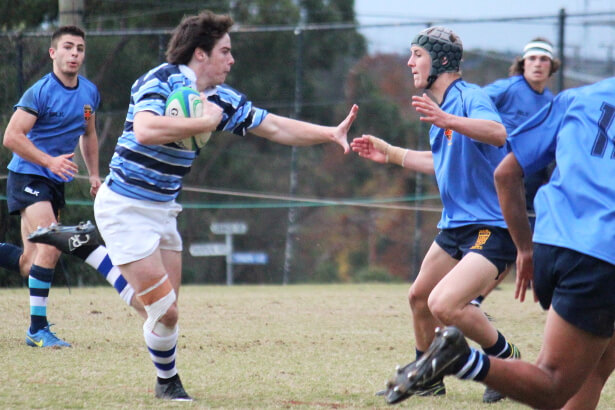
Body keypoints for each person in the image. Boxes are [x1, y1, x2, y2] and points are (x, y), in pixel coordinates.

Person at [47, 10, 357, 402]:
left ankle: (91, 251)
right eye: (225, 51)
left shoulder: (222, 100)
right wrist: (202, 123)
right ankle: (168, 384)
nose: (232, 60)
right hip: (124, 206)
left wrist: (329, 133)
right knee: (166, 314)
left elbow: (274, 126)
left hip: (163, 209)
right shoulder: (160, 79)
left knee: (158, 312)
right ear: (200, 54)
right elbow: (145, 129)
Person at [391, 77, 615, 409]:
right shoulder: (481, 96)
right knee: (553, 384)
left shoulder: (579, 97)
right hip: (601, 252)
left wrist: (524, 249)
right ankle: (462, 361)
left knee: (596, 367)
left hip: (553, 241)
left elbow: (505, 173)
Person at [351, 26, 520, 404]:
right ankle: (428, 377)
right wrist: (391, 153)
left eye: (417, 55)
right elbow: (440, 161)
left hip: (490, 227)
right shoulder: (439, 110)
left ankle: (506, 363)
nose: (410, 62)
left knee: (444, 305)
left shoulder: (469, 97)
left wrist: (449, 120)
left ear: (441, 61)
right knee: (419, 297)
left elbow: (496, 132)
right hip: (454, 227)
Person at [0, 26, 110, 348]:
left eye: (79, 48)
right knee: (51, 244)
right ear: (53, 53)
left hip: (54, 183)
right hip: (29, 178)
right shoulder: (39, 93)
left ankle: (37, 328)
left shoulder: (89, 93)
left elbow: (87, 134)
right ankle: (37, 330)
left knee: (27, 263)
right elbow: (11, 137)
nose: (74, 53)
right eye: (67, 47)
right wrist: (49, 162)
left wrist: (93, 175)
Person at [472, 37, 560, 307]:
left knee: (515, 248)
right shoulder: (508, 89)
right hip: (495, 178)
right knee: (499, 243)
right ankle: (466, 298)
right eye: (532, 58)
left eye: (543, 59)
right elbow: (472, 102)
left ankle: (473, 301)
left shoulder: (550, 101)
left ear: (551, 66)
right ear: (522, 64)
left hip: (526, 184)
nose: (538, 64)